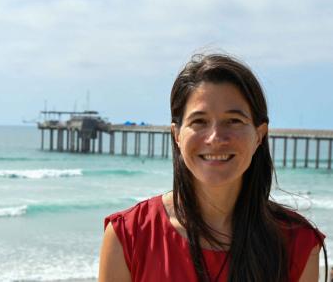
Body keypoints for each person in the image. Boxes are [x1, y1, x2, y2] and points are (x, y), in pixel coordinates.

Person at [99, 53, 327, 282]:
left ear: (259, 135)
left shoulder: (297, 243)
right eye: (199, 121)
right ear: (176, 134)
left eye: (234, 121)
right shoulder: (129, 236)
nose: (215, 138)